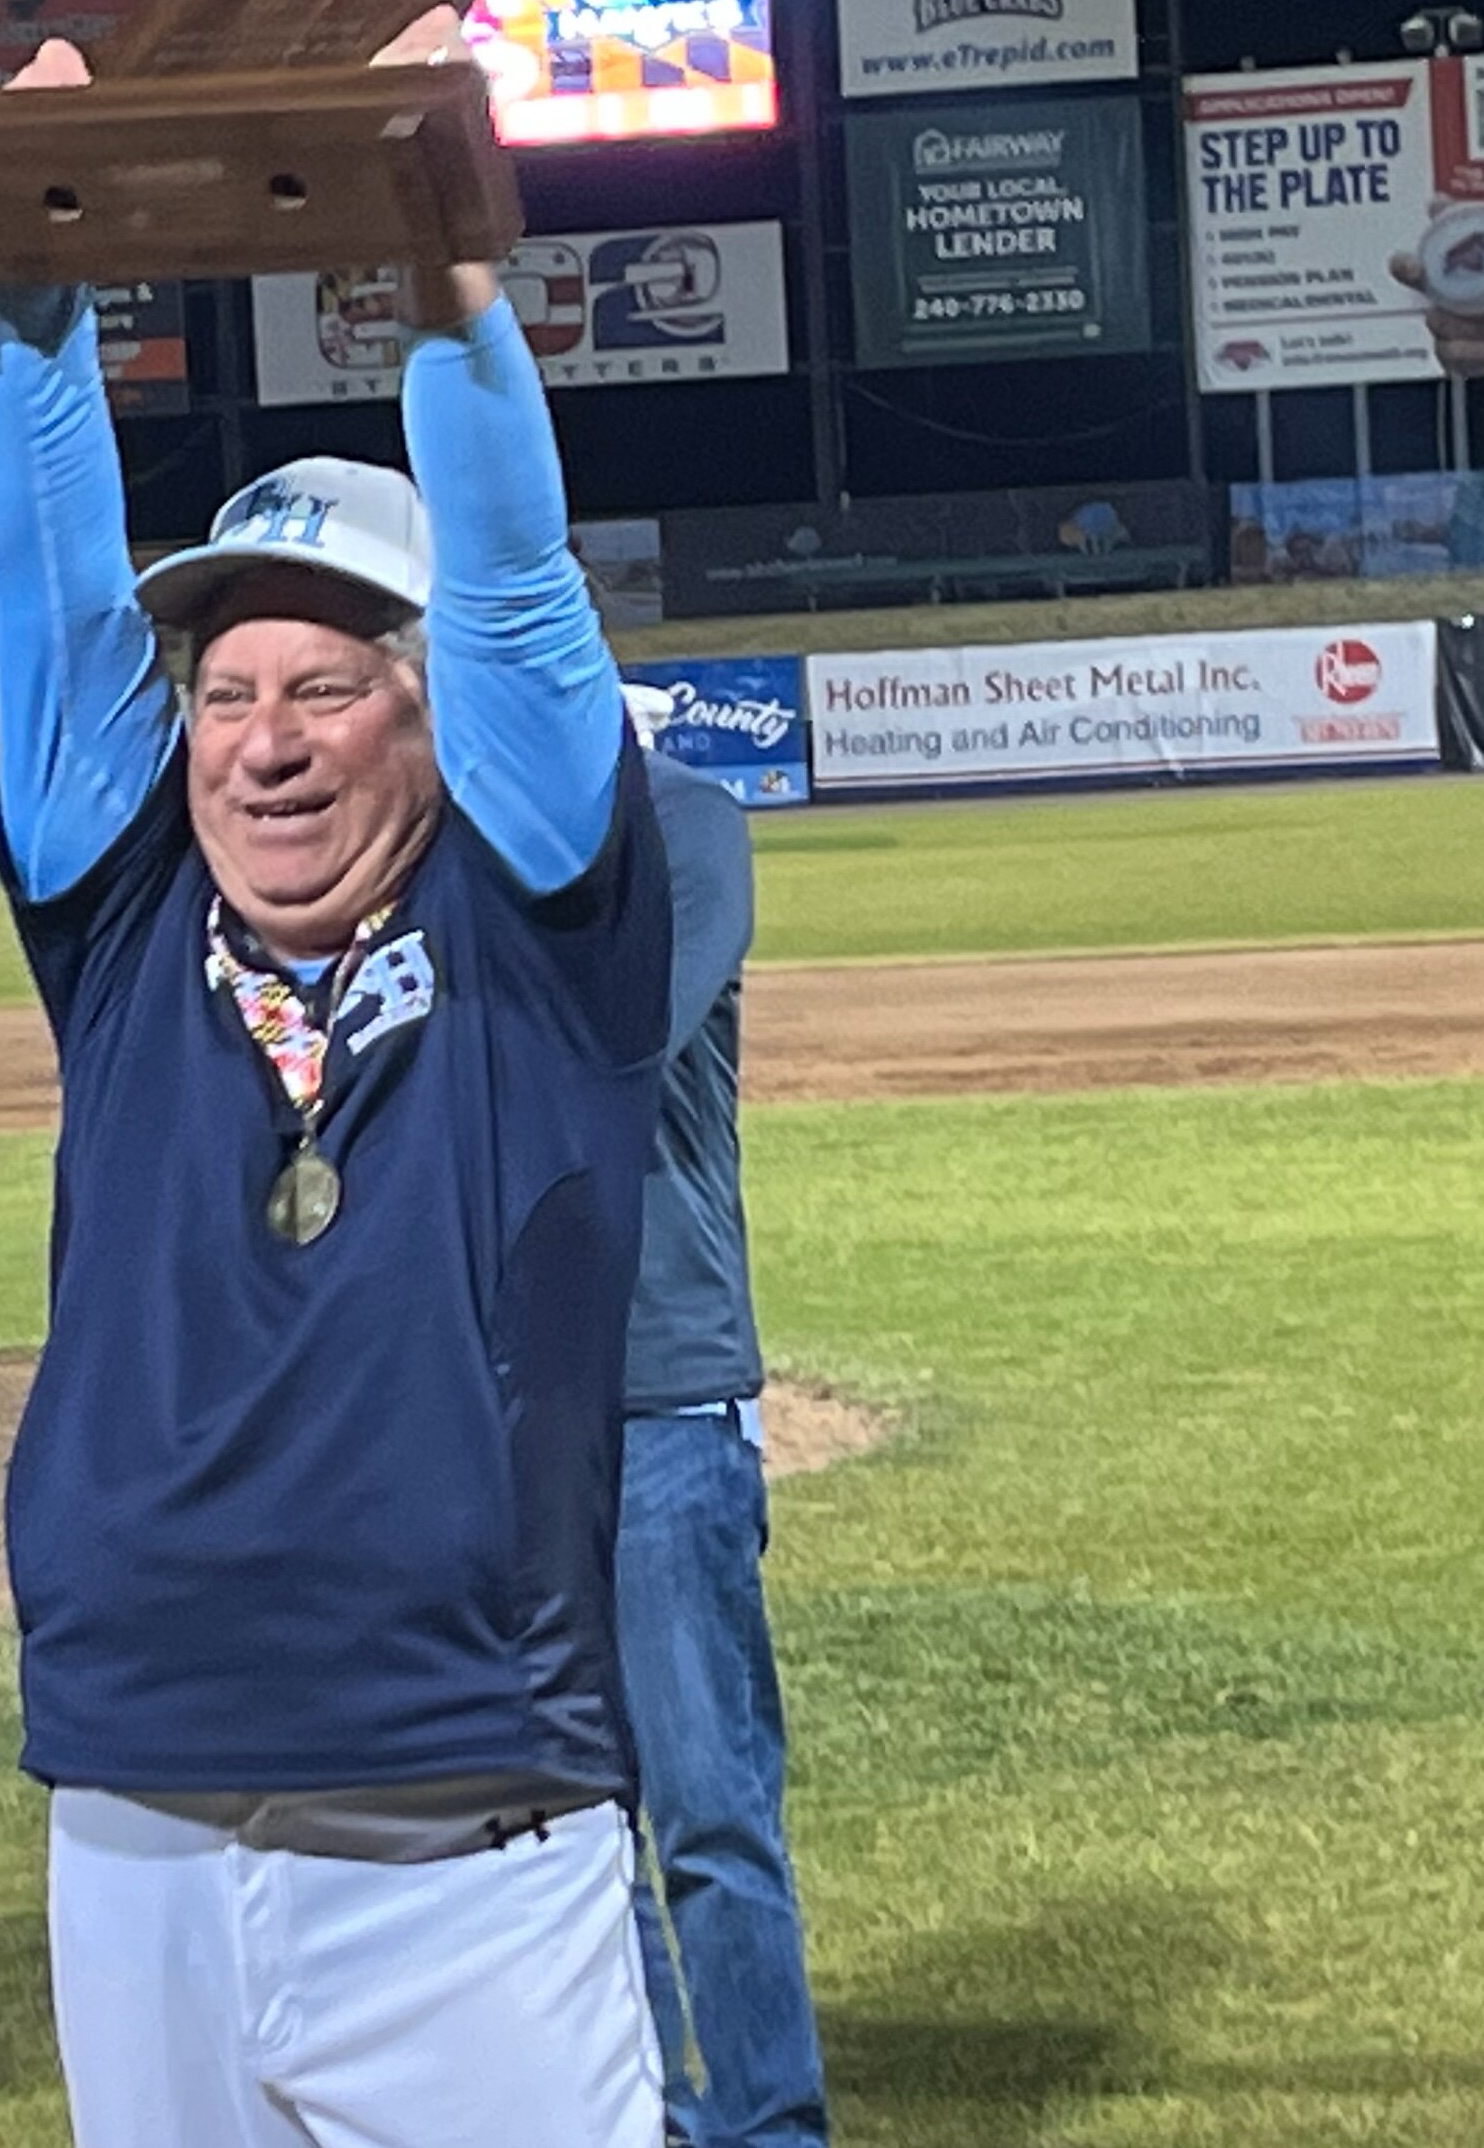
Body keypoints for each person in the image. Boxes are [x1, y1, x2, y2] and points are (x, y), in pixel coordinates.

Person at [0, 19, 672, 2148]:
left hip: (464, 1824)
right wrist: (21, 291)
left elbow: (523, 591)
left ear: (428, 713)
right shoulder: (116, 928)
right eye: (228, 686)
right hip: (133, 1813)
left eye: (329, 683)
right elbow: (47, 592)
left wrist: (446, 276)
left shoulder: (539, 928)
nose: (260, 738)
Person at [618, 692, 832, 2148]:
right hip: (493, 1415)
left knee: (709, 1817)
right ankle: (630, 2121)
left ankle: (765, 2127)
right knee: (561, 1836)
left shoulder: (684, 821)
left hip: (662, 1398)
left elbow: (607, 1033)